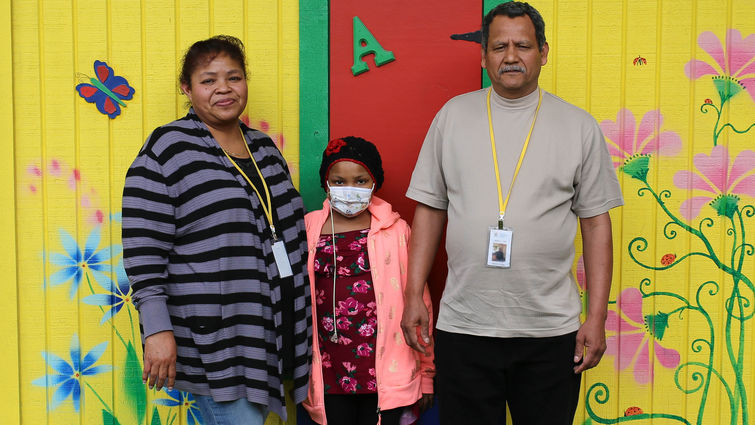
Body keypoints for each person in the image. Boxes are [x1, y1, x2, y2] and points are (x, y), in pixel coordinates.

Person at [400, 2, 624, 425]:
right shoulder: (452, 116)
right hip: (465, 325)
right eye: (498, 45)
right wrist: (413, 294)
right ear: (483, 56)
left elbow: (596, 223)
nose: (510, 56)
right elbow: (429, 209)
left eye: (523, 45)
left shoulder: (578, 127)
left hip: (550, 331)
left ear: (544, 52)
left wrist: (596, 317)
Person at [122, 35, 310, 425]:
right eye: (208, 80)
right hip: (216, 337)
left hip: (269, 330)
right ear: (187, 89)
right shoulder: (168, 148)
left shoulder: (264, 148)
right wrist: (156, 331)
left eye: (234, 77)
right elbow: (143, 250)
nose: (224, 88)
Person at [302, 137, 434, 425]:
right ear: (325, 183)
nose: (350, 189)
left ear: (375, 183)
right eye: (339, 181)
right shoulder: (308, 229)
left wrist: (426, 374)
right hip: (328, 373)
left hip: (388, 374)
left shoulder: (396, 231)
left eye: (360, 181)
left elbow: (420, 303)